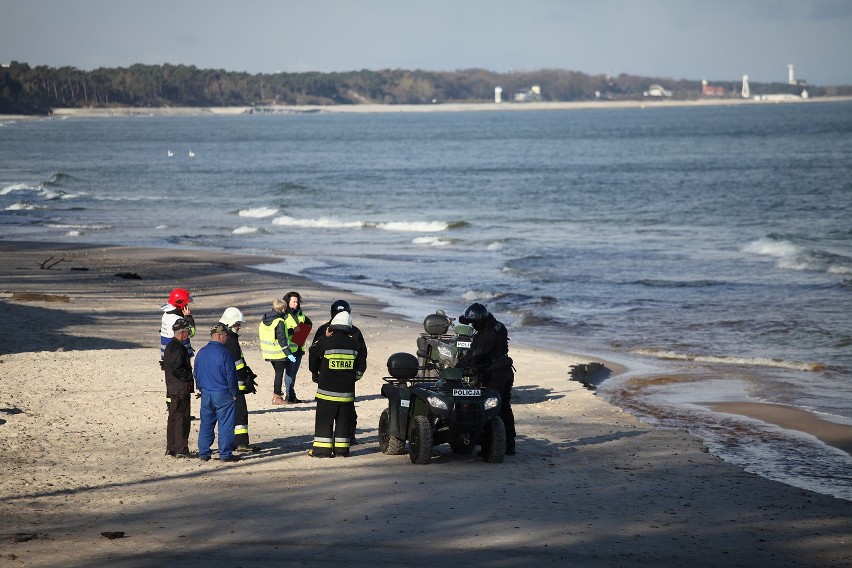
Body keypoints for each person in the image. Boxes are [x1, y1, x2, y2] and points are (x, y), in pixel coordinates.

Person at [457, 302, 516, 455]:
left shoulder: (485, 335)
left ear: (480, 320)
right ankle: (510, 444)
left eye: (474, 323)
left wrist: (459, 368)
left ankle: (491, 446)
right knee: (504, 407)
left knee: (490, 409)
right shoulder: (499, 326)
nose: (473, 326)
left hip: (495, 375)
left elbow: (475, 357)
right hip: (506, 371)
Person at [307, 311, 366, 458]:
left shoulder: (326, 341)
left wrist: (316, 373)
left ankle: (322, 451)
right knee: (343, 423)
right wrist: (354, 378)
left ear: (332, 327)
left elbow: (313, 355)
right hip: (346, 394)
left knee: (324, 422)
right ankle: (341, 451)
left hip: (326, 393)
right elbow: (361, 366)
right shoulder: (355, 344)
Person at [194, 323, 240, 463]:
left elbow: (196, 373)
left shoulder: (201, 352)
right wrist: (234, 393)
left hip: (206, 393)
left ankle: (204, 453)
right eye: (226, 336)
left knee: (206, 423)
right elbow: (230, 375)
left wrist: (201, 388)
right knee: (225, 424)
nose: (227, 338)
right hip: (222, 393)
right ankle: (225, 454)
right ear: (219, 336)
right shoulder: (225, 353)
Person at [219, 307, 260, 453]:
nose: (239, 326)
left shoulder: (223, 337)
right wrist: (245, 376)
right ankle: (241, 443)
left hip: (226, 383)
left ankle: (233, 442)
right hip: (235, 384)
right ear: (230, 323)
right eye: (237, 324)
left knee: (230, 414)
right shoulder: (231, 340)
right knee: (240, 413)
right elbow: (237, 363)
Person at [259, 292, 313, 405]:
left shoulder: (300, 314)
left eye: (297, 301)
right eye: (293, 301)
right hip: (288, 350)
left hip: (298, 348)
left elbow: (309, 323)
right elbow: (281, 333)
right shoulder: (283, 315)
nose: (296, 304)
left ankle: (291, 395)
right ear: (287, 302)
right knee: (288, 374)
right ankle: (289, 396)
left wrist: (301, 335)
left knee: (293, 374)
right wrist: (293, 332)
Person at [163, 318, 195, 458]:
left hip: (173, 388)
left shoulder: (170, 346)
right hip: (180, 389)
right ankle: (181, 449)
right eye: (187, 332)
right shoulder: (177, 347)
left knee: (173, 418)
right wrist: (189, 376)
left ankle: (171, 447)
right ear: (182, 333)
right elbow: (177, 369)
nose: (188, 335)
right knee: (182, 418)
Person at [160, 288, 195, 361]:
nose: (187, 306)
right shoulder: (177, 319)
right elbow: (191, 333)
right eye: (186, 303)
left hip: (166, 354)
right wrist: (188, 318)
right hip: (178, 355)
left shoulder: (166, 314)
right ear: (180, 303)